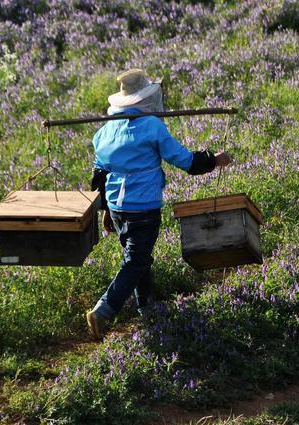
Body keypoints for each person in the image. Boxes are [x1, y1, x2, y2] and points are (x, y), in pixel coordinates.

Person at [86, 68, 232, 340]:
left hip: (118, 209)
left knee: (137, 258)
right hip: (143, 206)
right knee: (137, 259)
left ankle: (147, 307)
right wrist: (215, 159)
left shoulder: (104, 131)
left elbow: (100, 175)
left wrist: (106, 212)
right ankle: (104, 309)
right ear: (145, 99)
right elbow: (185, 161)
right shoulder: (152, 126)